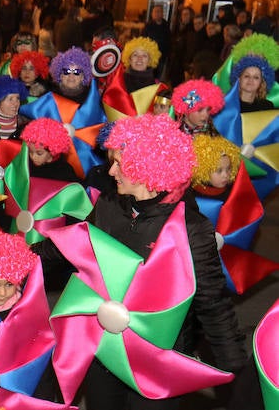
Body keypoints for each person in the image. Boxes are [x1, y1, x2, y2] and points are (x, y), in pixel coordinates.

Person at [33, 114, 247, 409]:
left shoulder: (189, 227)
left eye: (119, 163)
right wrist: (13, 260)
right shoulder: (108, 206)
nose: (110, 171)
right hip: (105, 348)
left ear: (149, 169)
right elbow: (65, 247)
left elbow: (212, 302)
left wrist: (235, 366)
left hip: (157, 358)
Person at [21, 117, 80, 182]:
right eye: (30, 152)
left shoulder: (64, 171)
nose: (33, 157)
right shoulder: (26, 165)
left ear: (52, 152)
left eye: (39, 153)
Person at [190, 134, 241, 201]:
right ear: (204, 171)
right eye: (219, 171)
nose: (225, 175)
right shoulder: (192, 198)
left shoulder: (234, 191)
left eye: (228, 168)